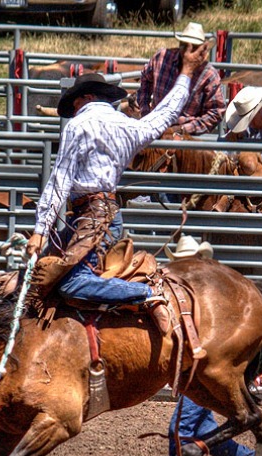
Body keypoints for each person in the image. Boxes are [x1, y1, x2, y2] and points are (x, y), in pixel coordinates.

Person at [24, 44, 210, 333]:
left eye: (74, 102)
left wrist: (40, 230)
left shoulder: (78, 124)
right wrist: (186, 73)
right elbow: (167, 113)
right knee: (43, 276)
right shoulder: (129, 126)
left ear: (85, 98)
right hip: (105, 215)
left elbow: (60, 179)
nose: (73, 108)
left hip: (91, 217)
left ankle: (147, 294)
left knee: (71, 283)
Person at [150, 236, 262, 456]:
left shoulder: (213, 292)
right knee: (205, 430)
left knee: (182, 429)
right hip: (196, 369)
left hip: (204, 368)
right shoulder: (199, 291)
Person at [136, 22, 224, 136]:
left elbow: (216, 112)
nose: (188, 52)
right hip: (154, 126)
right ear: (180, 44)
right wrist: (145, 113)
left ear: (200, 50)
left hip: (186, 137)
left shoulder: (209, 75)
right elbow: (146, 79)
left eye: (193, 48)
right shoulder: (161, 58)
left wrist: (183, 130)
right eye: (185, 45)